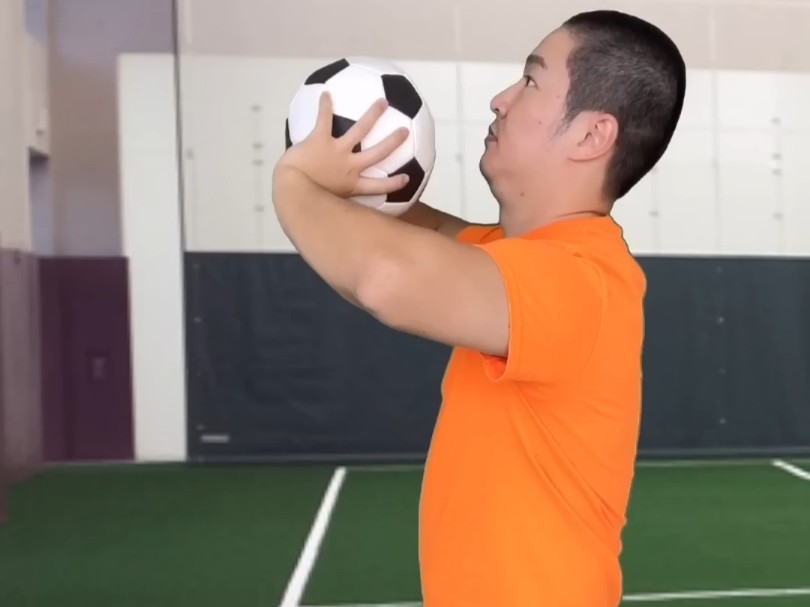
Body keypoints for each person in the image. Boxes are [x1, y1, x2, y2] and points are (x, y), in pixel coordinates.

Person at [272, 9, 685, 607]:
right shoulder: (508, 257)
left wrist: (292, 182)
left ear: (592, 135)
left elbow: (384, 279)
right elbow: (380, 243)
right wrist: (350, 171)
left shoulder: (581, 281)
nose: (500, 100)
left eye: (531, 81)